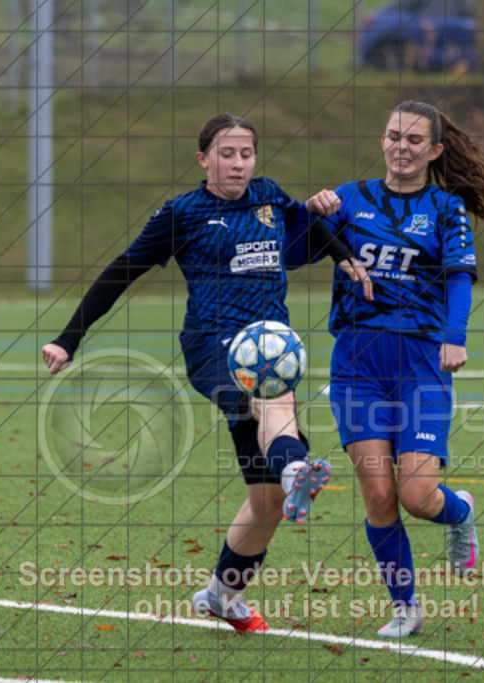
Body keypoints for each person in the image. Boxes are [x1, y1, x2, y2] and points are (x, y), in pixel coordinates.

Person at [41, 114, 371, 632]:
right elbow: (121, 271)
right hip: (212, 346)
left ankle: (221, 594)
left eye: (246, 153)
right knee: (271, 394)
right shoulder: (183, 213)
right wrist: (69, 338)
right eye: (227, 153)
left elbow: (305, 229)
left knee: (267, 500)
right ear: (203, 158)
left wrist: (344, 255)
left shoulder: (267, 197)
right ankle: (296, 468)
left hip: (269, 340)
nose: (238, 163)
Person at [320, 100, 484, 638]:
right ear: (382, 141)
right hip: (357, 361)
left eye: (412, 140)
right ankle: (405, 606)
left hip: (423, 363)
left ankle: (459, 512)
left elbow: (458, 278)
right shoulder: (349, 198)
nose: (400, 147)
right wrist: (313, 214)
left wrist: (455, 338)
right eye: (392, 136)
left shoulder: (446, 208)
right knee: (379, 494)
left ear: (434, 150)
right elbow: (294, 251)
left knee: (416, 495)